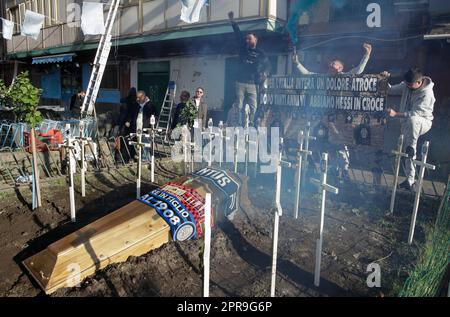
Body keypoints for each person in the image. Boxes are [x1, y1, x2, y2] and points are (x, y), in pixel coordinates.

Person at [383, 68, 435, 190]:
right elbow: (390, 89)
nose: (407, 86)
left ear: (419, 82)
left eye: (410, 84)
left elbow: (414, 113)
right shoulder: (407, 85)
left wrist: (396, 114)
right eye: (406, 84)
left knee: (413, 124)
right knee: (408, 149)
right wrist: (384, 80)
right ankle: (410, 180)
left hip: (423, 122)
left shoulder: (427, 94)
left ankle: (411, 147)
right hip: (407, 123)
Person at [228, 11, 271, 127]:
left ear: (255, 40)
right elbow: (238, 34)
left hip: (252, 83)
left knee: (254, 106)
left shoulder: (260, 53)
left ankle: (251, 123)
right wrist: (233, 21)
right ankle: (237, 125)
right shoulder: (243, 48)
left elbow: (268, 65)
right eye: (246, 39)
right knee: (239, 105)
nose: (247, 41)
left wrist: (265, 73)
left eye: (249, 39)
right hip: (240, 82)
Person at [292, 43, 372, 75]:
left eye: (333, 64)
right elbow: (307, 74)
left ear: (340, 68)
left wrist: (367, 55)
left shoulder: (344, 77)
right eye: (331, 63)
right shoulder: (323, 78)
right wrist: (297, 63)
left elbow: (358, 71)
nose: (330, 64)